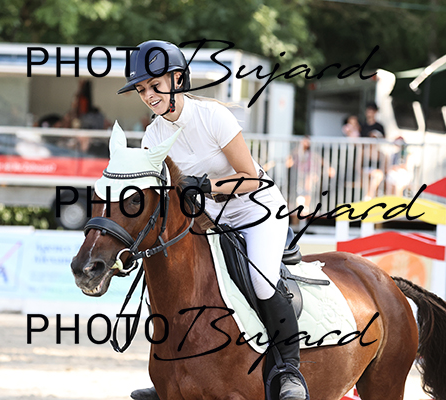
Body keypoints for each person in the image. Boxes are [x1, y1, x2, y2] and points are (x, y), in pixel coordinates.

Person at [120, 40, 307, 400]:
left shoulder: (213, 117)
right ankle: (172, 371)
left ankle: (289, 370)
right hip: (208, 220)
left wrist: (205, 185)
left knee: (262, 283)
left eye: (154, 85)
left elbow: (250, 178)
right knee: (179, 282)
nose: (148, 96)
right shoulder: (153, 135)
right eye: (141, 90)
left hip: (256, 211)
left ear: (177, 79)